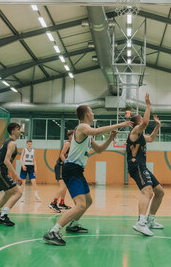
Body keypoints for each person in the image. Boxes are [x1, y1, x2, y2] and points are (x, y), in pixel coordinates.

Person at [43, 105, 132, 246]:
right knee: (80, 204)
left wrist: (111, 138)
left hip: (77, 170)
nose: (93, 114)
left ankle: (73, 224)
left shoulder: (88, 134)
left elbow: (100, 150)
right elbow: (96, 131)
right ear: (85, 114)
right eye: (91, 112)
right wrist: (121, 124)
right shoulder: (82, 127)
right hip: (71, 169)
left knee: (88, 201)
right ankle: (53, 231)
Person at [127, 93, 163, 237]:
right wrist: (148, 105)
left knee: (160, 192)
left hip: (143, 167)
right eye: (141, 119)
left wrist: (158, 126)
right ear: (137, 123)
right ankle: (140, 223)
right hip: (136, 166)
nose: (143, 120)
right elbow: (145, 123)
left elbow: (152, 138)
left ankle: (150, 220)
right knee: (147, 192)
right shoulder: (135, 131)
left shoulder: (141, 136)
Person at [0, 123, 23, 226]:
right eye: (18, 129)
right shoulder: (12, 143)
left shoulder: (6, 142)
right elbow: (6, 161)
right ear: (13, 131)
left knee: (8, 193)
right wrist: (16, 176)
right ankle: (3, 216)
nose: (20, 131)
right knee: (18, 193)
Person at [49, 130, 74, 213]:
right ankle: (53, 203)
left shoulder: (72, 145)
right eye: (74, 135)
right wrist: (67, 163)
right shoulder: (67, 144)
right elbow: (61, 154)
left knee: (65, 186)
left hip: (64, 167)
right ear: (70, 136)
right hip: (60, 166)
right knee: (63, 185)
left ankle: (62, 203)